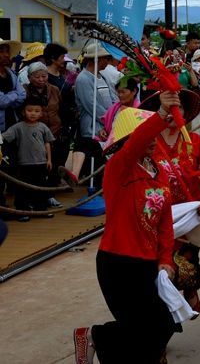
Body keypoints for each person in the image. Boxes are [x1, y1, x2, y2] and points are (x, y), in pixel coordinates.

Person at [73, 91, 181, 364]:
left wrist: (166, 259)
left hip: (148, 263)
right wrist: (161, 114)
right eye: (144, 136)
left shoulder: (158, 171)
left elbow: (165, 223)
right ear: (125, 141)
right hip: (118, 263)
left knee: (163, 326)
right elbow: (138, 142)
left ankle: (99, 339)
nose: (152, 140)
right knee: (144, 327)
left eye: (154, 136)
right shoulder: (118, 168)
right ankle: (95, 335)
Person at [140, 89, 200, 317]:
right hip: (156, 218)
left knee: (188, 264)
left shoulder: (194, 142)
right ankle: (166, 313)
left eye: (177, 108)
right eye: (166, 109)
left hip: (188, 217)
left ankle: (190, 288)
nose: (172, 113)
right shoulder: (148, 145)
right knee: (158, 268)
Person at [2, 97, 55, 220]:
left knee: (41, 187)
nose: (33, 113)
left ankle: (41, 210)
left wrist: (49, 159)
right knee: (23, 188)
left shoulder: (43, 127)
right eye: (29, 110)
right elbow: (4, 137)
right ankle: (22, 211)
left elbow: (47, 143)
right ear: (23, 112)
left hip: (41, 162)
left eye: (37, 111)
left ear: (41, 113)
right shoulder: (18, 127)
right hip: (24, 163)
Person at [73, 42, 118, 186]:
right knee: (96, 163)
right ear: (96, 59)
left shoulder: (102, 76)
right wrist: (107, 121)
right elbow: (91, 105)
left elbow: (112, 98)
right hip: (93, 128)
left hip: (106, 126)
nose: (107, 62)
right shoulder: (83, 79)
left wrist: (114, 115)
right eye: (105, 58)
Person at [23, 61, 64, 192]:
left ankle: (52, 189)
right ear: (29, 78)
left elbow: (60, 108)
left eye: (44, 76)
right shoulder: (25, 90)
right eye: (37, 77)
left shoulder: (54, 89)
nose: (41, 79)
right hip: (34, 133)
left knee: (55, 161)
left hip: (55, 131)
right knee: (38, 164)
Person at [0, 38, 25, 132]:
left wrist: (8, 98)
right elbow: (2, 101)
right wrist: (15, 94)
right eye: (1, 51)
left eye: (7, 51)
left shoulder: (11, 73)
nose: (6, 55)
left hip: (12, 123)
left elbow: (22, 95)